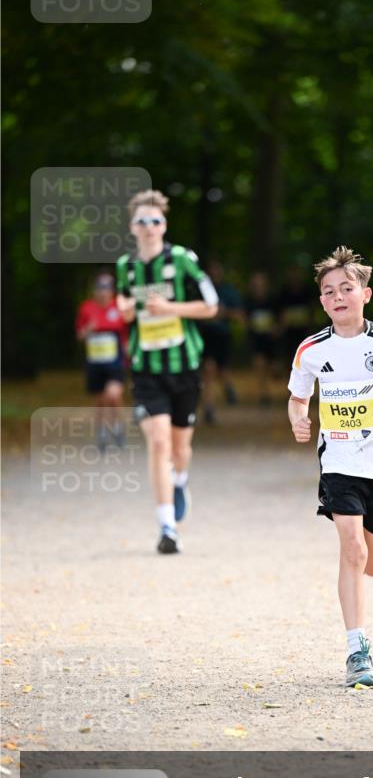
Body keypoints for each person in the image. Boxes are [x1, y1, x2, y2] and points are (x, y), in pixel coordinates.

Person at [288, 246, 373, 687]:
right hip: (340, 461)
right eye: (329, 291)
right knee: (352, 548)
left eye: (347, 288)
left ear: (365, 294)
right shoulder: (310, 349)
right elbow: (298, 396)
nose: (338, 296)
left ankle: (362, 576)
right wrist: (298, 418)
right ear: (322, 302)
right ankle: (357, 650)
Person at [115, 189, 219, 554]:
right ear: (132, 227)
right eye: (141, 221)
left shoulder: (182, 259)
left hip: (184, 367)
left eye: (154, 220)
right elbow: (123, 305)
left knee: (180, 447)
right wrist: (126, 309)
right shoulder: (125, 267)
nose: (148, 227)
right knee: (158, 441)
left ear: (164, 225)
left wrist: (171, 309)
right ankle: (167, 527)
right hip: (146, 369)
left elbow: (211, 306)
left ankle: (180, 481)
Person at [75, 271, 128, 451]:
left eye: (106, 288)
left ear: (112, 290)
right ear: (94, 290)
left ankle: (118, 427)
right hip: (95, 362)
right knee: (100, 400)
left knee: (113, 395)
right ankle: (102, 432)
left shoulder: (119, 308)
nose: (103, 292)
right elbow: (80, 335)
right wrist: (88, 330)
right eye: (99, 287)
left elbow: (127, 334)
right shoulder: (87, 308)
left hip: (115, 362)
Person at [199, 260, 243, 422]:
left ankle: (228, 387)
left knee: (222, 370)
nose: (214, 275)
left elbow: (239, 315)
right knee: (208, 369)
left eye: (217, 271)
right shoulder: (200, 292)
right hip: (206, 336)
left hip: (223, 336)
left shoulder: (228, 292)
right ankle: (209, 408)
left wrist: (224, 313)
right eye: (211, 272)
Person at [246, 271, 280, 406]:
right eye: (256, 284)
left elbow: (280, 318)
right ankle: (264, 394)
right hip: (256, 339)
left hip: (271, 340)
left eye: (261, 284)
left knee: (272, 368)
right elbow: (245, 318)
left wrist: (277, 329)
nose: (258, 287)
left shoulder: (272, 301)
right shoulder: (249, 302)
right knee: (259, 365)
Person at [278, 266, 315, 368]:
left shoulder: (307, 290)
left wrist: (310, 325)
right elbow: (281, 311)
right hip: (289, 330)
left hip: (303, 329)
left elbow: (311, 309)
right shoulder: (284, 291)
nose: (294, 277)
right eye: (292, 274)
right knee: (289, 355)